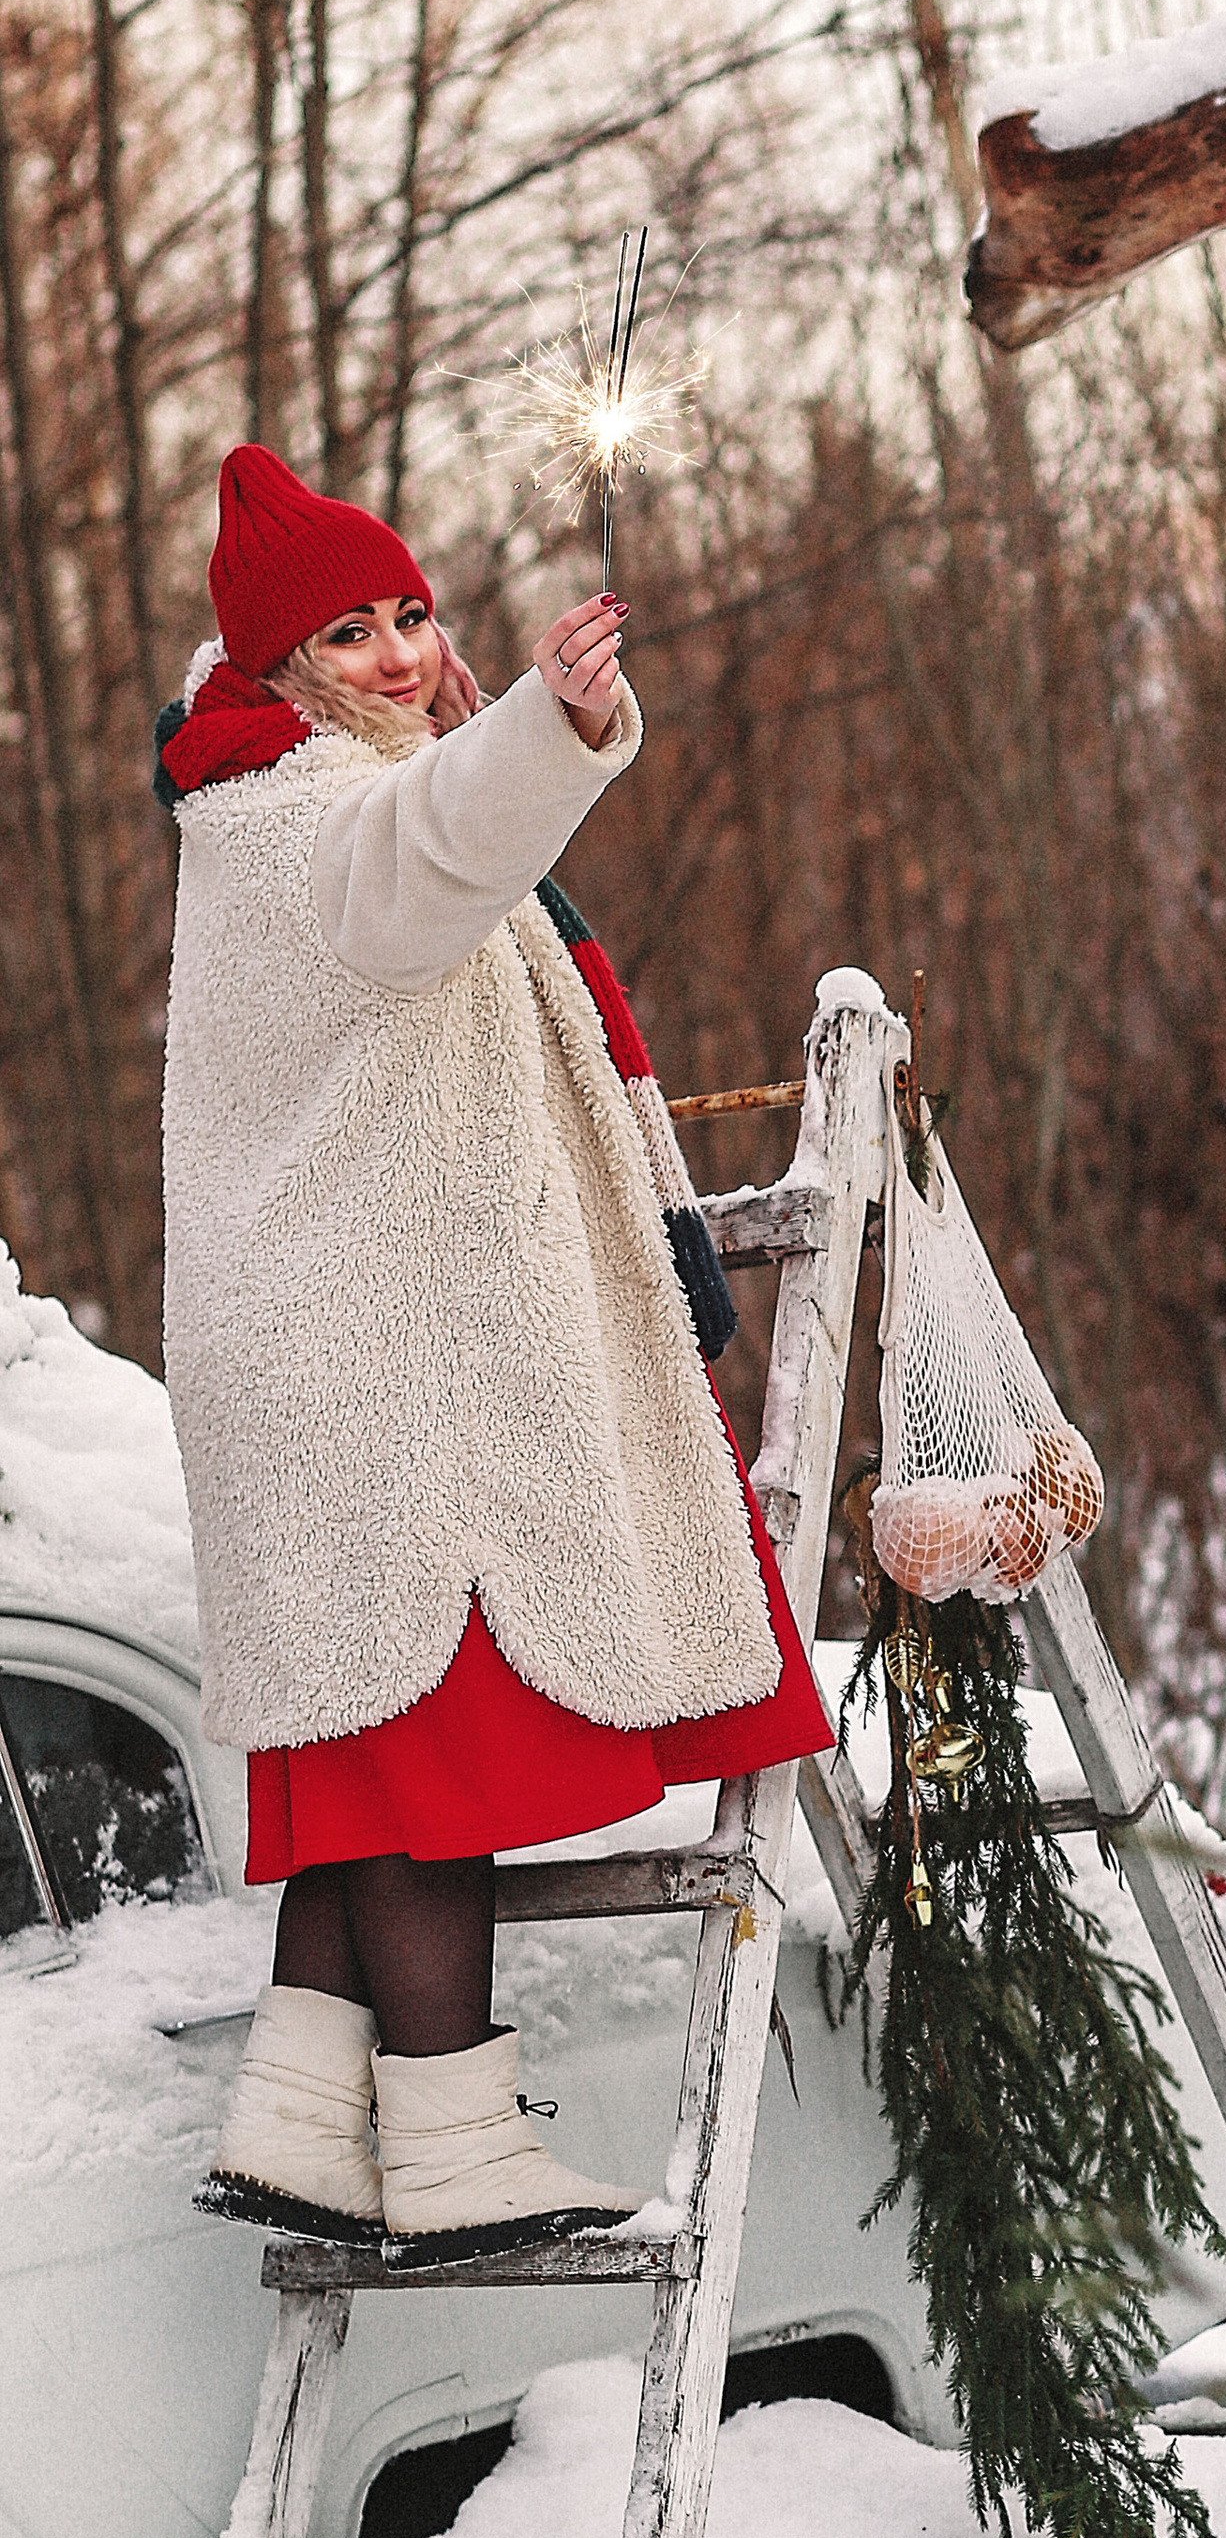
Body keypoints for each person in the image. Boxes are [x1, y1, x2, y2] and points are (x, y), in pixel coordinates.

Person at [161, 444, 830, 2262]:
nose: (394, 651)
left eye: (409, 615)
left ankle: (304, 2117)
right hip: (363, 1377)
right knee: (418, 1754)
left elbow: (442, 830)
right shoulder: (305, 825)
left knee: (370, 1748)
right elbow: (433, 851)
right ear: (281, 668)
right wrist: (536, 725)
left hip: (331, 1365)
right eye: (349, 633)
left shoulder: (298, 801)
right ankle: (454, 2138)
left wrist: (494, 737)